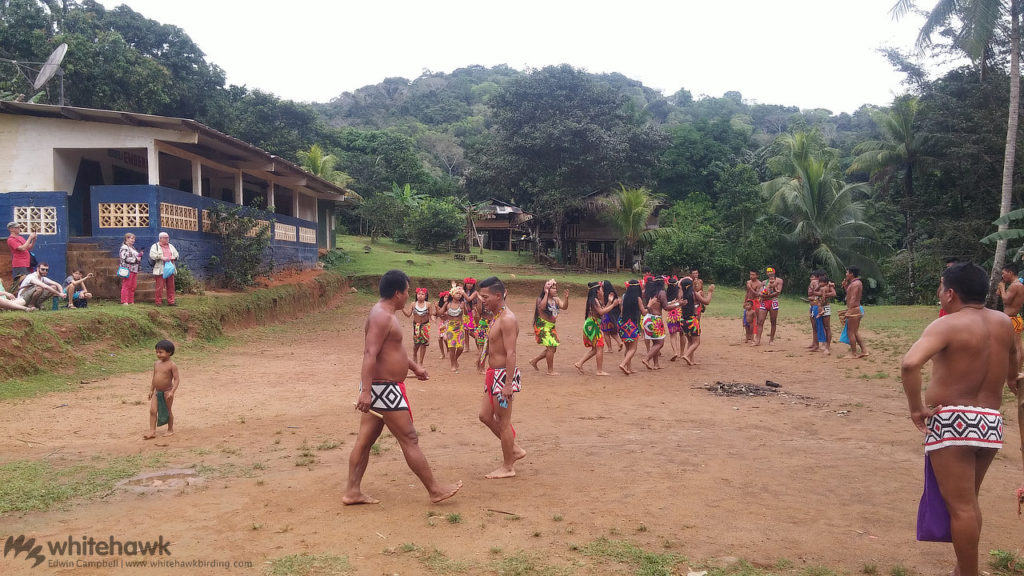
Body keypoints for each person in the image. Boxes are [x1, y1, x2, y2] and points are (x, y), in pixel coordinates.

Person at [900, 262, 1015, 576]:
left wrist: (916, 409)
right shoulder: (1004, 322)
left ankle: (968, 573)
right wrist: (1013, 381)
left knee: (960, 506)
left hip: (953, 421)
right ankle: (962, 569)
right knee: (969, 502)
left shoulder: (947, 324)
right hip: (990, 422)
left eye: (940, 287)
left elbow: (910, 364)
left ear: (949, 293)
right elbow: (1014, 364)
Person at [344, 269, 462, 505]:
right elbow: (370, 353)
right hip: (383, 389)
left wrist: (414, 367)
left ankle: (352, 491)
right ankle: (434, 489)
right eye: (407, 291)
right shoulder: (381, 316)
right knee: (409, 437)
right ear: (397, 293)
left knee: (365, 440)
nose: (409, 295)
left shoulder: (386, 314)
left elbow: (392, 351)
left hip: (380, 388)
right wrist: (365, 391)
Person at [476, 276, 527, 479]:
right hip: (493, 375)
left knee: (503, 422)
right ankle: (514, 449)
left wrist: (508, 385)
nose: (482, 300)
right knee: (485, 416)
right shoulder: (497, 316)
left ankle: (508, 466)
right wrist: (482, 358)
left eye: (485, 297)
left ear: (499, 295)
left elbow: (511, 353)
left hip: (503, 376)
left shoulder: (507, 319)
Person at [574, 281, 617, 376]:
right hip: (592, 325)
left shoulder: (595, 300)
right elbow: (601, 312)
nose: (603, 291)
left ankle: (579, 363)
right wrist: (613, 305)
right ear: (597, 290)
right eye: (601, 289)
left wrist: (609, 302)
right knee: (600, 347)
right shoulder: (594, 300)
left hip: (592, 324)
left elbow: (602, 311)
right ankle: (599, 371)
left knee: (595, 349)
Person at [641, 276, 681, 370]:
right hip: (656, 320)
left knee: (655, 342)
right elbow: (666, 307)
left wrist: (675, 303)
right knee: (660, 343)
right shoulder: (661, 293)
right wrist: (678, 304)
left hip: (647, 318)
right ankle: (647, 359)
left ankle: (656, 364)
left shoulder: (649, 292)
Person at [529, 279, 567, 376]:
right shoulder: (540, 299)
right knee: (551, 347)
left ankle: (534, 361)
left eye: (555, 288)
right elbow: (542, 307)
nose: (555, 290)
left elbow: (564, 307)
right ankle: (550, 371)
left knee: (553, 348)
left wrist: (566, 298)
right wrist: (546, 294)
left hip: (551, 326)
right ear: (547, 289)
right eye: (553, 288)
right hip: (542, 326)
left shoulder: (556, 299)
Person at [144, 339, 180, 439]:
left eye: (161, 352)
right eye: (157, 352)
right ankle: (152, 431)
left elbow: (177, 380)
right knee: (152, 410)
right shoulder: (156, 364)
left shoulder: (172, 365)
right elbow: (154, 378)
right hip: (157, 391)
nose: (158, 354)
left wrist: (172, 392)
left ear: (169, 352)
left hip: (167, 391)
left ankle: (170, 429)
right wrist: (151, 390)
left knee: (168, 411)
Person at [997, 262, 1024, 375]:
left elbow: (1006, 300)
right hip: (1013, 318)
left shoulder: (1015, 285)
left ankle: (1017, 370)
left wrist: (1003, 288)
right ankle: (1015, 368)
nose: (1002, 276)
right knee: (1015, 345)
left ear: (1010, 272)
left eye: (1004, 273)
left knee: (1017, 346)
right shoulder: (1017, 285)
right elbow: (1002, 296)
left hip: (1012, 318)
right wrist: (1001, 289)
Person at [680, 277, 714, 365]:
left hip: (683, 321)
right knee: (696, 342)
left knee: (690, 341)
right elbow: (707, 302)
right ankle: (686, 355)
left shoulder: (682, 295)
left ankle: (691, 360)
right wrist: (710, 292)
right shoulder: (694, 294)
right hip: (692, 321)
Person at [617, 279, 644, 375]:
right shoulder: (638, 298)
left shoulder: (625, 297)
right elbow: (644, 312)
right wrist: (650, 305)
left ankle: (629, 368)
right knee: (633, 348)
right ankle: (623, 364)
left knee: (628, 348)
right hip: (632, 324)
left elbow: (622, 311)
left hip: (623, 324)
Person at [401, 287, 435, 366]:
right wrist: (402, 308)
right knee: (417, 343)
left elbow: (431, 314)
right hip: (416, 325)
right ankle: (414, 354)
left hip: (425, 325)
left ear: (425, 296)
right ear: (416, 295)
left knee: (423, 344)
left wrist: (433, 318)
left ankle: (421, 362)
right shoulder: (413, 304)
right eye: (419, 294)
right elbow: (408, 315)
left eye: (422, 294)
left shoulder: (428, 304)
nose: (420, 295)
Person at [841, 266, 869, 359]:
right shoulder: (854, 283)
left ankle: (853, 353)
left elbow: (853, 298)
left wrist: (849, 311)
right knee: (855, 332)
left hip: (854, 309)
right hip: (855, 309)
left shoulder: (856, 284)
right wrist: (845, 286)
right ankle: (864, 350)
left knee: (850, 332)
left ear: (851, 274)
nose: (846, 274)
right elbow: (849, 295)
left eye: (847, 272)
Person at [753, 266, 784, 346]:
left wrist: (767, 295)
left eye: (771, 271)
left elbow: (778, 292)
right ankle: (758, 340)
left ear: (774, 272)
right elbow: (758, 292)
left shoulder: (779, 280)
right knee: (760, 321)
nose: (770, 273)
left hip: (773, 301)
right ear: (766, 273)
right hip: (764, 301)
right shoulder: (764, 282)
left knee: (773, 321)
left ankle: (771, 340)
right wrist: (762, 294)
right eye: (768, 272)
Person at [441, 286, 468, 372]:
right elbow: (440, 313)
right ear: (452, 295)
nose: (459, 295)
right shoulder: (447, 304)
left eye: (460, 294)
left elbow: (466, 313)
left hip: (460, 327)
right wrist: (437, 308)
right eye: (457, 293)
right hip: (451, 327)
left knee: (460, 348)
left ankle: (455, 360)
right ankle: (453, 364)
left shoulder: (462, 303)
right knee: (452, 347)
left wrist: (464, 307)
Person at [149, 232, 179, 306]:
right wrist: (161, 257)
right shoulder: (155, 246)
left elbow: (176, 254)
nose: (167, 239)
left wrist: (174, 257)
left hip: (170, 268)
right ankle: (158, 302)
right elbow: (152, 255)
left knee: (171, 286)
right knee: (159, 286)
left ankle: (171, 301)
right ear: (160, 238)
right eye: (165, 237)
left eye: (167, 237)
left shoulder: (171, 246)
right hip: (161, 268)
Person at [6, 221, 37, 286]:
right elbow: (22, 248)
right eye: (17, 227)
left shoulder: (20, 238)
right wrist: (30, 238)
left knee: (29, 280)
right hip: (20, 263)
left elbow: (29, 247)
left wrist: (34, 240)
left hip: (27, 263)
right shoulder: (11, 239)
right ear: (11, 229)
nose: (19, 229)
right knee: (24, 282)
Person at [816, 271, 837, 355]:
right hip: (821, 306)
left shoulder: (826, 287)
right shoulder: (823, 286)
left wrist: (821, 304)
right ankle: (825, 344)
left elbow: (832, 294)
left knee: (827, 327)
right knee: (824, 327)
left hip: (825, 307)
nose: (819, 283)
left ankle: (827, 347)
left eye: (820, 281)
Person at [664, 277, 685, 361]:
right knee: (682, 334)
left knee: (673, 335)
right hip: (680, 314)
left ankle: (675, 352)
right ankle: (682, 353)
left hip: (671, 316)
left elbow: (666, 307)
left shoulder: (666, 293)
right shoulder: (679, 292)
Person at [599, 280, 623, 352]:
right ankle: (619, 342)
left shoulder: (604, 295)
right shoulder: (614, 294)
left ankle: (610, 348)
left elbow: (604, 306)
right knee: (613, 332)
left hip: (606, 315)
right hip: (613, 316)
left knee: (606, 333)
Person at [119, 232, 141, 305]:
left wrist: (139, 256)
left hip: (134, 269)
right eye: (132, 238)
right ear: (126, 239)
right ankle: (124, 301)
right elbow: (123, 258)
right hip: (127, 269)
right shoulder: (124, 247)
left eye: (134, 238)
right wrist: (135, 259)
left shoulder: (132, 248)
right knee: (127, 285)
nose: (133, 240)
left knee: (133, 286)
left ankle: (131, 301)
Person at [462, 278, 481, 352]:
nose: (469, 285)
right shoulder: (464, 291)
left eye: (471, 284)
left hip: (473, 313)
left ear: (473, 284)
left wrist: (463, 293)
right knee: (466, 330)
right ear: (465, 284)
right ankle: (467, 347)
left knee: (471, 331)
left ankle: (480, 345)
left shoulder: (475, 292)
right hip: (465, 313)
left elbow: (469, 299)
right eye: (468, 283)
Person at [743, 270, 762, 343]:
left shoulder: (759, 283)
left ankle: (753, 335)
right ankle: (748, 336)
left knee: (753, 319)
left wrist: (750, 287)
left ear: (757, 276)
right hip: (748, 301)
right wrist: (745, 302)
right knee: (746, 319)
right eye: (750, 274)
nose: (751, 276)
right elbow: (747, 292)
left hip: (755, 302)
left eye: (753, 275)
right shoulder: (748, 282)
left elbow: (757, 294)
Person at [435, 291, 450, 360]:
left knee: (445, 338)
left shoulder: (450, 305)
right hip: (443, 323)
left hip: (449, 322)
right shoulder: (439, 305)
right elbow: (435, 314)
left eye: (447, 297)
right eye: (445, 297)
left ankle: (448, 349)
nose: (446, 298)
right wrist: (436, 307)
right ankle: (442, 353)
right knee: (439, 338)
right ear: (442, 298)